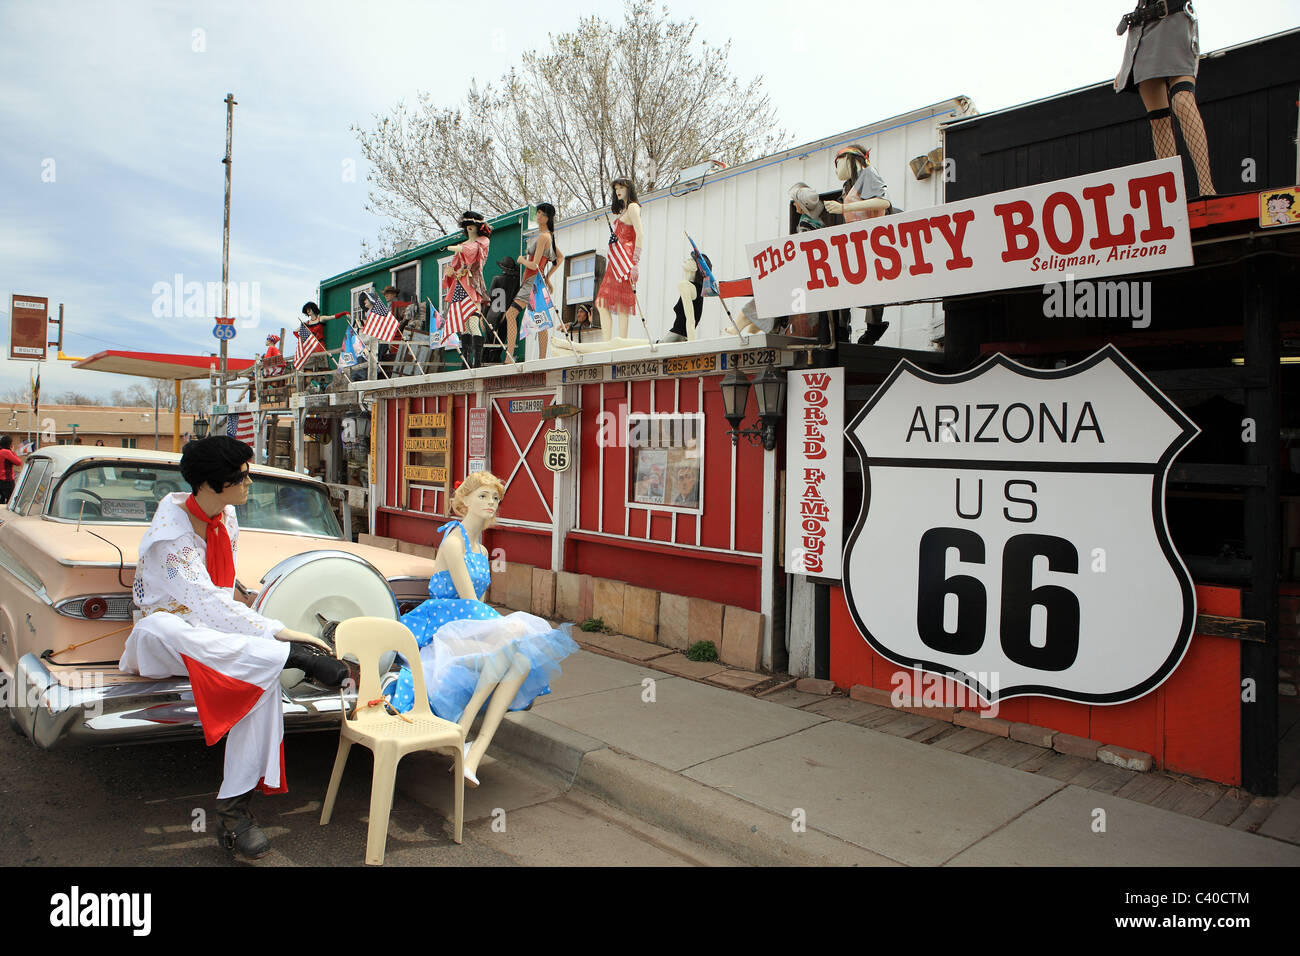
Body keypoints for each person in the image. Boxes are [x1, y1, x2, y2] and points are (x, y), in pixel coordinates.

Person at [118, 436, 348, 860]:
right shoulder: (171, 536)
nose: (249, 484)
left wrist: (263, 632)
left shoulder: (226, 520)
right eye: (241, 477)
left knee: (259, 676)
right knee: (169, 626)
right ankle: (290, 658)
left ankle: (233, 811)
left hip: (217, 640)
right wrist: (279, 632)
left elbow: (221, 599)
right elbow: (205, 602)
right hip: (160, 643)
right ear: (210, 483)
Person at [384, 472, 578, 786]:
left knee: (522, 658)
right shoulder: (454, 541)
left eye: (495, 499)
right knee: (518, 637)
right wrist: (502, 629)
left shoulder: (483, 551)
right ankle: (462, 733)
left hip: (471, 623)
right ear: (465, 501)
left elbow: (480, 606)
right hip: (444, 624)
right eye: (483, 497)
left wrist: (498, 631)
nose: (491, 504)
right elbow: (469, 602)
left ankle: (474, 748)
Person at [1115, 0, 1214, 198]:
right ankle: (1173, 195)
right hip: (1142, 29)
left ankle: (1206, 187)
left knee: (1183, 101)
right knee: (1159, 121)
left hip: (1174, 18)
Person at [823, 145, 892, 344]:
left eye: (837, 164)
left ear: (848, 159)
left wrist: (845, 207)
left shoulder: (868, 175)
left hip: (872, 241)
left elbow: (883, 202)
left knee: (873, 285)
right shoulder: (849, 185)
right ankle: (843, 329)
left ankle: (873, 327)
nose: (836, 170)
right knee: (844, 284)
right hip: (855, 243)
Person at [502, 203, 562, 362]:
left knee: (511, 313)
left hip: (532, 281)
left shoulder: (544, 236)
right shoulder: (548, 236)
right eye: (538, 213)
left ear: (548, 217)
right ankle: (541, 357)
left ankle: (509, 355)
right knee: (540, 320)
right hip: (536, 281)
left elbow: (534, 264)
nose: (538, 216)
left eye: (542, 214)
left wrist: (522, 260)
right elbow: (559, 258)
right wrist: (547, 277)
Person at [443, 212, 493, 369]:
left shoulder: (482, 242)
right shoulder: (463, 246)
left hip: (473, 283)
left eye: (471, 224)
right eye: (466, 225)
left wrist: (457, 248)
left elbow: (472, 251)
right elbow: (455, 264)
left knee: (473, 322)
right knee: (464, 324)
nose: (469, 228)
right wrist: (449, 271)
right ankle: (466, 360)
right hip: (461, 284)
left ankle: (477, 361)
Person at [595, 178, 643, 341]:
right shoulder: (623, 210)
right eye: (616, 188)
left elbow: (640, 233)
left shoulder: (633, 207)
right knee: (602, 302)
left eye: (621, 187)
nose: (618, 191)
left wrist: (635, 261)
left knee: (621, 302)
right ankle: (607, 341)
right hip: (616, 260)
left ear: (629, 188)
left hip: (625, 258)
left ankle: (621, 340)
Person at [483, 257, 521, 365]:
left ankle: (486, 361)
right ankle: (496, 359)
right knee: (502, 339)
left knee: (490, 340)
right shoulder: (516, 282)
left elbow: (489, 299)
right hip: (507, 312)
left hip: (493, 313)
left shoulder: (496, 279)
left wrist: (484, 316)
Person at [0, 435, 24, 504]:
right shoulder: (6, 452)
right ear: (9, 444)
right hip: (7, 481)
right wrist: (12, 451)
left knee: (2, 500)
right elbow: (18, 462)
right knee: (11, 502)